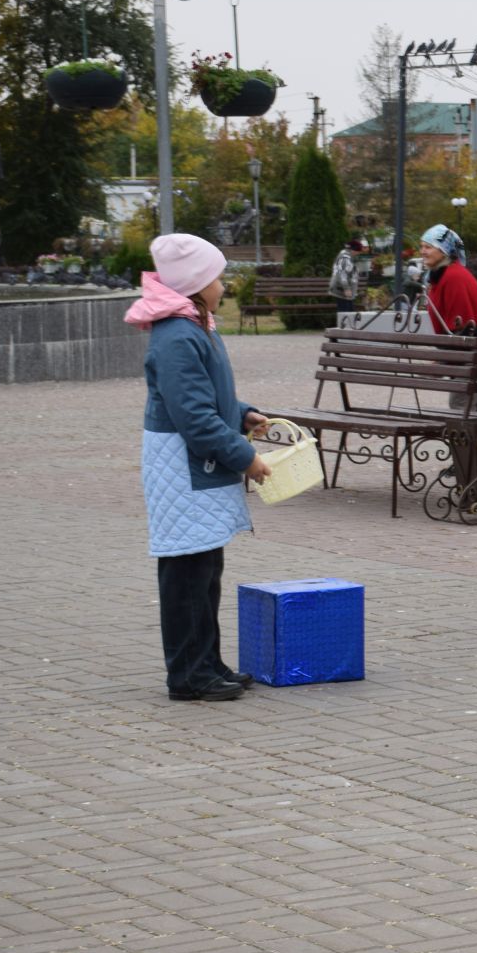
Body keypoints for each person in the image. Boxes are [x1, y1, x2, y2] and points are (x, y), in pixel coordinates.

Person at [125, 234, 271, 703]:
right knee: (188, 573)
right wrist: (245, 456)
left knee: (206, 568)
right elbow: (193, 415)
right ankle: (188, 674)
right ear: (196, 284)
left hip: (198, 464)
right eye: (217, 276)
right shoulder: (178, 334)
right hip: (184, 465)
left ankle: (207, 662)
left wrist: (242, 411)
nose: (223, 284)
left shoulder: (194, 325)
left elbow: (206, 396)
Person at [419, 223, 477, 411]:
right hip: (476, 345)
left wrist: (443, 360)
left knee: (461, 403)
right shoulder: (440, 276)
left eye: (428, 247)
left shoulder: (454, 277)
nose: (422, 251)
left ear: (444, 250)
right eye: (422, 246)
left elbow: (464, 325)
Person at [328, 238, 366, 314]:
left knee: (349, 312)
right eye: (358, 251)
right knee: (345, 313)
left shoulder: (347, 257)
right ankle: (344, 325)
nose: (358, 253)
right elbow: (342, 274)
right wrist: (346, 288)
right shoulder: (345, 258)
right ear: (353, 250)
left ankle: (346, 325)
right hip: (342, 290)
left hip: (345, 290)